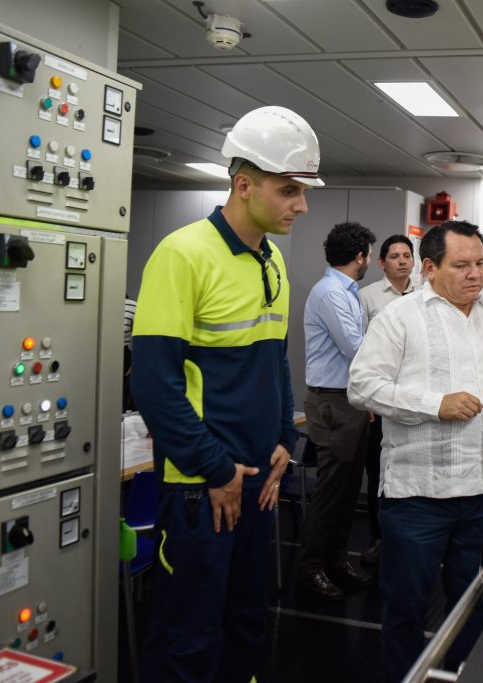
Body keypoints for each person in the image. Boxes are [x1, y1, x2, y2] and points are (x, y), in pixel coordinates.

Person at [131, 105, 321, 682]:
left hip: (257, 478)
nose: (301, 205)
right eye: (289, 190)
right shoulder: (182, 254)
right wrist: (215, 468)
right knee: (189, 635)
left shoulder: (273, 259)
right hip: (202, 484)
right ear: (243, 185)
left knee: (247, 621)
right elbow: (154, 384)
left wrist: (285, 437)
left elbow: (275, 358)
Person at [348, 220, 483, 683]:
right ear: (429, 268)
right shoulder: (400, 318)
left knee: (478, 602)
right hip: (418, 499)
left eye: (480, 263)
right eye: (462, 265)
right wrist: (434, 404)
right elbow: (362, 386)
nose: (476, 274)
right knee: (406, 606)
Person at [298, 221, 377, 599]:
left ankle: (336, 561)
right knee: (331, 491)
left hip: (351, 400)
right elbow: (355, 347)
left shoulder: (347, 291)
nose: (369, 262)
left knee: (347, 490)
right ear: (360, 256)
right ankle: (310, 568)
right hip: (333, 401)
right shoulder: (330, 293)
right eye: (370, 255)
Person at [357, 234, 417, 565]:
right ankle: (378, 538)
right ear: (382, 263)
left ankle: (405, 539)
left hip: (413, 398)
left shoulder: (424, 295)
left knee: (408, 468)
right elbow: (359, 350)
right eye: (395, 256)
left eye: (407, 255)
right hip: (381, 399)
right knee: (378, 470)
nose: (402, 261)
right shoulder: (367, 297)